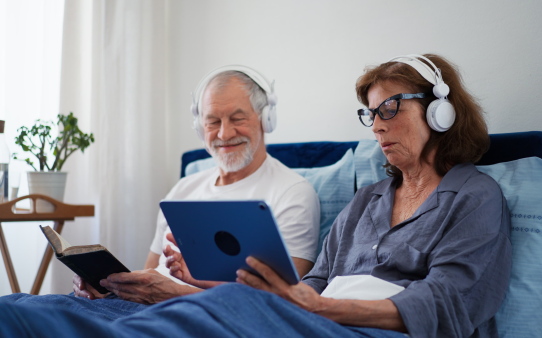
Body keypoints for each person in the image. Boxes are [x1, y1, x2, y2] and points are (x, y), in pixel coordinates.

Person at [0, 54, 511, 338]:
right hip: (304, 316)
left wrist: (311, 308)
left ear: (441, 111)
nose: (377, 125)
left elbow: (448, 303)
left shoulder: (475, 198)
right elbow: (308, 284)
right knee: (21, 307)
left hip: (345, 326)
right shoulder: (368, 201)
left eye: (391, 108)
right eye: (371, 114)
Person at [0, 66, 320, 313]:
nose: (224, 133)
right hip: (140, 307)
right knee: (15, 305)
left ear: (266, 119)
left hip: (199, 315)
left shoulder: (292, 191)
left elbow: (282, 302)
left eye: (237, 118)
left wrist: (174, 293)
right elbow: (151, 273)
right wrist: (111, 287)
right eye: (212, 122)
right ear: (199, 127)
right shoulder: (183, 189)